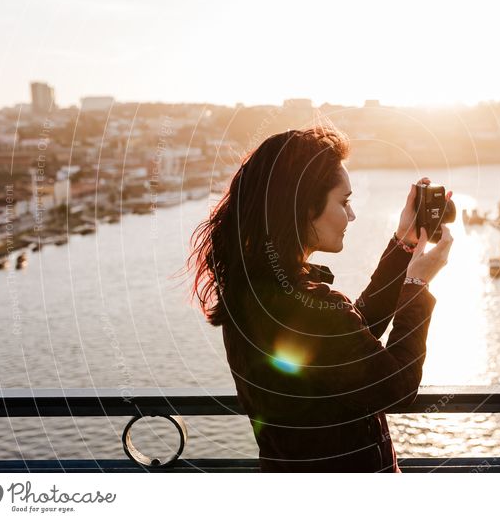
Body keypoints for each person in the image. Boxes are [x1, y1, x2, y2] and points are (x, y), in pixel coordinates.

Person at [189, 127, 453, 472]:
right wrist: (416, 283)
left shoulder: (254, 290)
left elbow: (349, 346)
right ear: (302, 208)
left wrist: (404, 248)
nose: (352, 215)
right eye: (344, 202)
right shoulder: (308, 306)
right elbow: (396, 387)